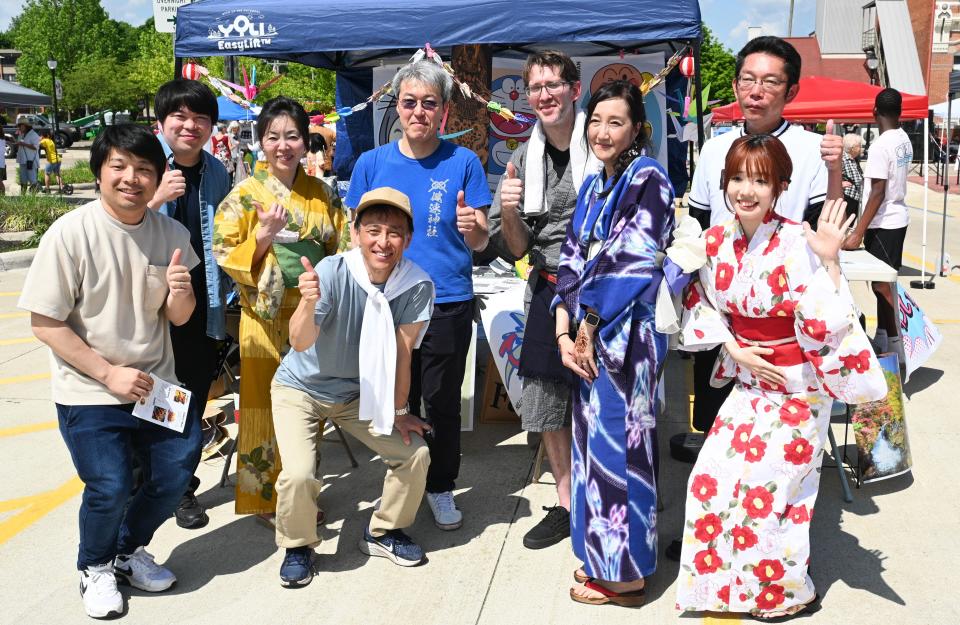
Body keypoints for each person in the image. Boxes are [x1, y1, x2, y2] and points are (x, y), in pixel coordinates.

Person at [674, 134, 887, 619]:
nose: (745, 190)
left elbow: (832, 316)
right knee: (711, 479)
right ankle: (721, 589)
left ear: (780, 187)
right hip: (749, 383)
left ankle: (786, 593)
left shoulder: (799, 241)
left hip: (799, 390)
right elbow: (698, 302)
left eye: (760, 180)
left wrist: (831, 259)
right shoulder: (713, 241)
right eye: (737, 178)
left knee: (770, 492)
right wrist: (733, 348)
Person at [17, 124, 201, 619]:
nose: (131, 178)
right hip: (90, 389)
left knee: (175, 472)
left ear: (159, 176)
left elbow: (177, 317)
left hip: (158, 384)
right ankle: (94, 566)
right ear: (100, 171)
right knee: (111, 485)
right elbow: (45, 322)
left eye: (144, 169)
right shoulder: (70, 234)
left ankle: (126, 550)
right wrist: (108, 373)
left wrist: (180, 292)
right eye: (119, 166)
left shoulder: (173, 234)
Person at [679, 36, 844, 498]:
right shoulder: (714, 148)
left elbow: (825, 231)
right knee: (715, 429)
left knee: (777, 447)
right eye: (748, 79)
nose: (756, 90)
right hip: (723, 317)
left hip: (782, 329)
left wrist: (835, 170)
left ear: (790, 92)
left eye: (770, 81)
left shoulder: (812, 149)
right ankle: (716, 524)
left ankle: (765, 540)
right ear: (735, 84)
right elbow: (696, 225)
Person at [346, 59, 491, 531]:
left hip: (446, 300)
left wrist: (476, 228)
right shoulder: (372, 163)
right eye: (410, 103)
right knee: (389, 398)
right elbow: (355, 237)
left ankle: (441, 485)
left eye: (429, 104)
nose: (419, 112)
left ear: (444, 111)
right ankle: (401, 480)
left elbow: (481, 239)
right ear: (397, 108)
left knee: (442, 400)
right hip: (386, 302)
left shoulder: (463, 161)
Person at [270, 187, 434, 586]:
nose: (383, 241)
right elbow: (299, 342)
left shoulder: (416, 285)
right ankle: (298, 545)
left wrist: (399, 413)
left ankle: (384, 531)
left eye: (394, 232)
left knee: (414, 454)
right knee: (298, 474)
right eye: (373, 229)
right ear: (356, 232)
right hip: (300, 388)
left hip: (358, 394)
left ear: (407, 240)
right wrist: (307, 303)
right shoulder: (331, 271)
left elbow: (401, 354)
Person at [553, 80, 675, 607]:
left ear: (636, 130)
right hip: (588, 340)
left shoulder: (647, 177)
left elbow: (637, 256)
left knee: (623, 454)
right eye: (596, 121)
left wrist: (586, 324)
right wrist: (564, 328)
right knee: (594, 452)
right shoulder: (593, 185)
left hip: (626, 342)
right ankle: (603, 557)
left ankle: (626, 575)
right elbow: (571, 257)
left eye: (616, 122)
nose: (603, 132)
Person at [487, 49, 600, 549]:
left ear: (575, 89)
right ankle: (567, 504)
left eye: (554, 84)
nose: (545, 94)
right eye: (536, 87)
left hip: (601, 285)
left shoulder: (603, 145)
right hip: (548, 283)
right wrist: (509, 210)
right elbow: (514, 246)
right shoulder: (521, 158)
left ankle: (608, 494)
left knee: (602, 394)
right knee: (550, 401)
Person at [214, 96, 345, 518]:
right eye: (274, 136)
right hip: (264, 314)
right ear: (261, 142)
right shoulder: (243, 196)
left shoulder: (322, 193)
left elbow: (339, 248)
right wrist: (265, 235)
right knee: (261, 406)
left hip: (311, 312)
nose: (283, 145)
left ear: (306, 142)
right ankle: (264, 499)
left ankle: (302, 492)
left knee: (307, 407)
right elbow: (224, 250)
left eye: (292, 136)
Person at [149, 78, 233, 530]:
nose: (190, 125)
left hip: (203, 305)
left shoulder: (217, 172)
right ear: (162, 121)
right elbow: (113, 223)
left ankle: (180, 488)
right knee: (152, 400)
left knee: (191, 401)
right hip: (148, 311)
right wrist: (155, 198)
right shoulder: (143, 165)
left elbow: (227, 238)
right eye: (180, 116)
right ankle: (149, 484)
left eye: (201, 118)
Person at [843, 88, 912, 361]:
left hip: (884, 222)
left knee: (882, 286)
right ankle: (884, 338)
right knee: (881, 284)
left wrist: (858, 232)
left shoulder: (881, 146)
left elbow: (878, 192)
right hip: (898, 218)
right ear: (900, 112)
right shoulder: (903, 138)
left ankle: (895, 347)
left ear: (874, 111)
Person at [13, 115, 40, 193]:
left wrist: (23, 144)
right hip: (22, 160)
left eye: (20, 126)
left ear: (25, 126)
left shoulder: (34, 134)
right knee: (23, 179)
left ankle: (34, 196)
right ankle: (23, 195)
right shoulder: (21, 134)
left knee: (32, 179)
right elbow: (20, 144)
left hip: (30, 160)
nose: (19, 127)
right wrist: (17, 143)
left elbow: (35, 147)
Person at [841, 132, 865, 222]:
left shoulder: (853, 159)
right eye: (859, 146)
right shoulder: (843, 158)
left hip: (854, 197)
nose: (861, 148)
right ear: (852, 148)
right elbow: (828, 174)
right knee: (844, 224)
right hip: (847, 198)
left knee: (849, 224)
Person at [38, 128, 63, 193]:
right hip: (58, 159)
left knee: (47, 174)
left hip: (52, 161)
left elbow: (38, 144)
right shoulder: (51, 140)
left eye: (40, 135)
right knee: (57, 174)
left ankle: (47, 189)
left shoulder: (44, 140)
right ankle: (61, 188)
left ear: (43, 136)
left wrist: (39, 140)